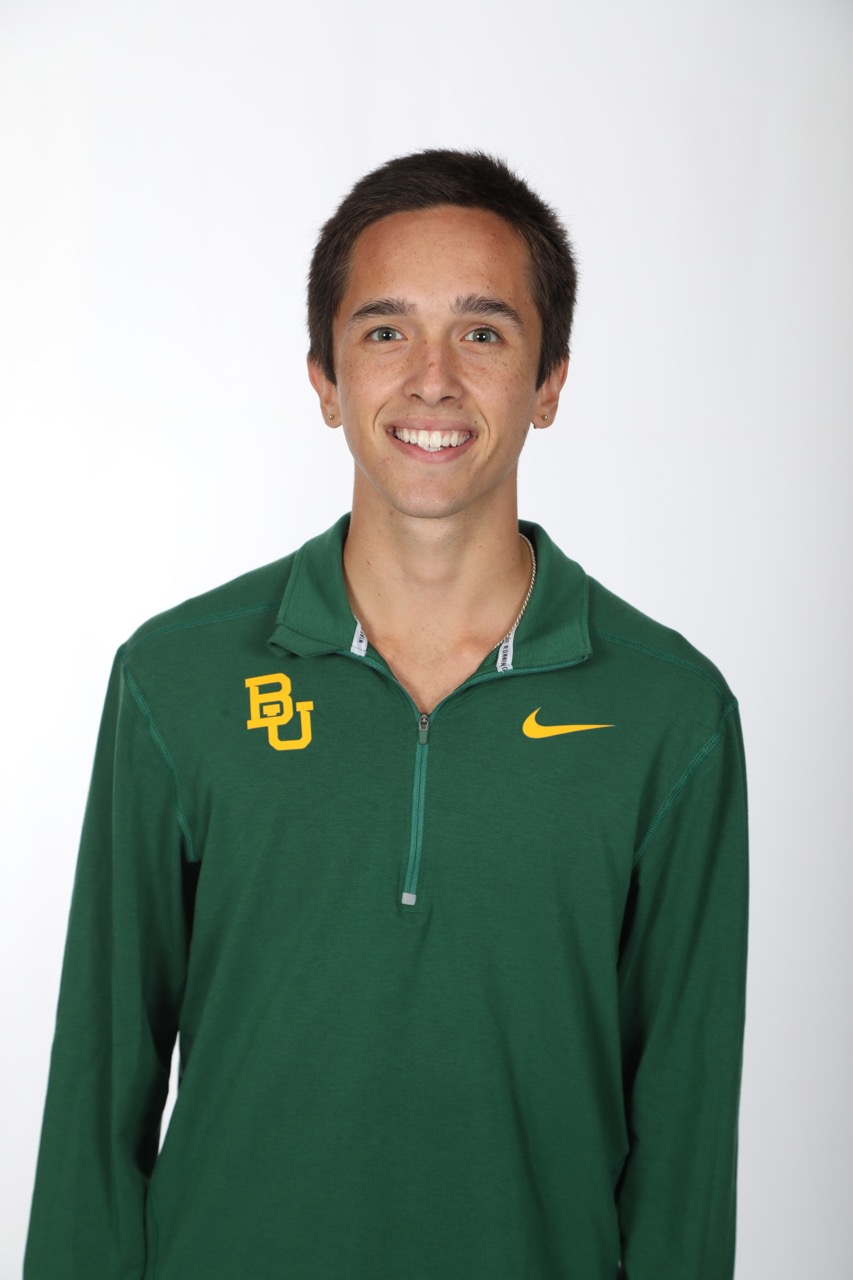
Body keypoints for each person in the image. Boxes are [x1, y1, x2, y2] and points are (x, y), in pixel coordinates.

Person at [25, 150, 748, 1280]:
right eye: (384, 331)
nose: (432, 379)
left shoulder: (669, 712)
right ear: (324, 379)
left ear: (549, 382)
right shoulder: (176, 679)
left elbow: (685, 1135)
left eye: (482, 332)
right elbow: (96, 1098)